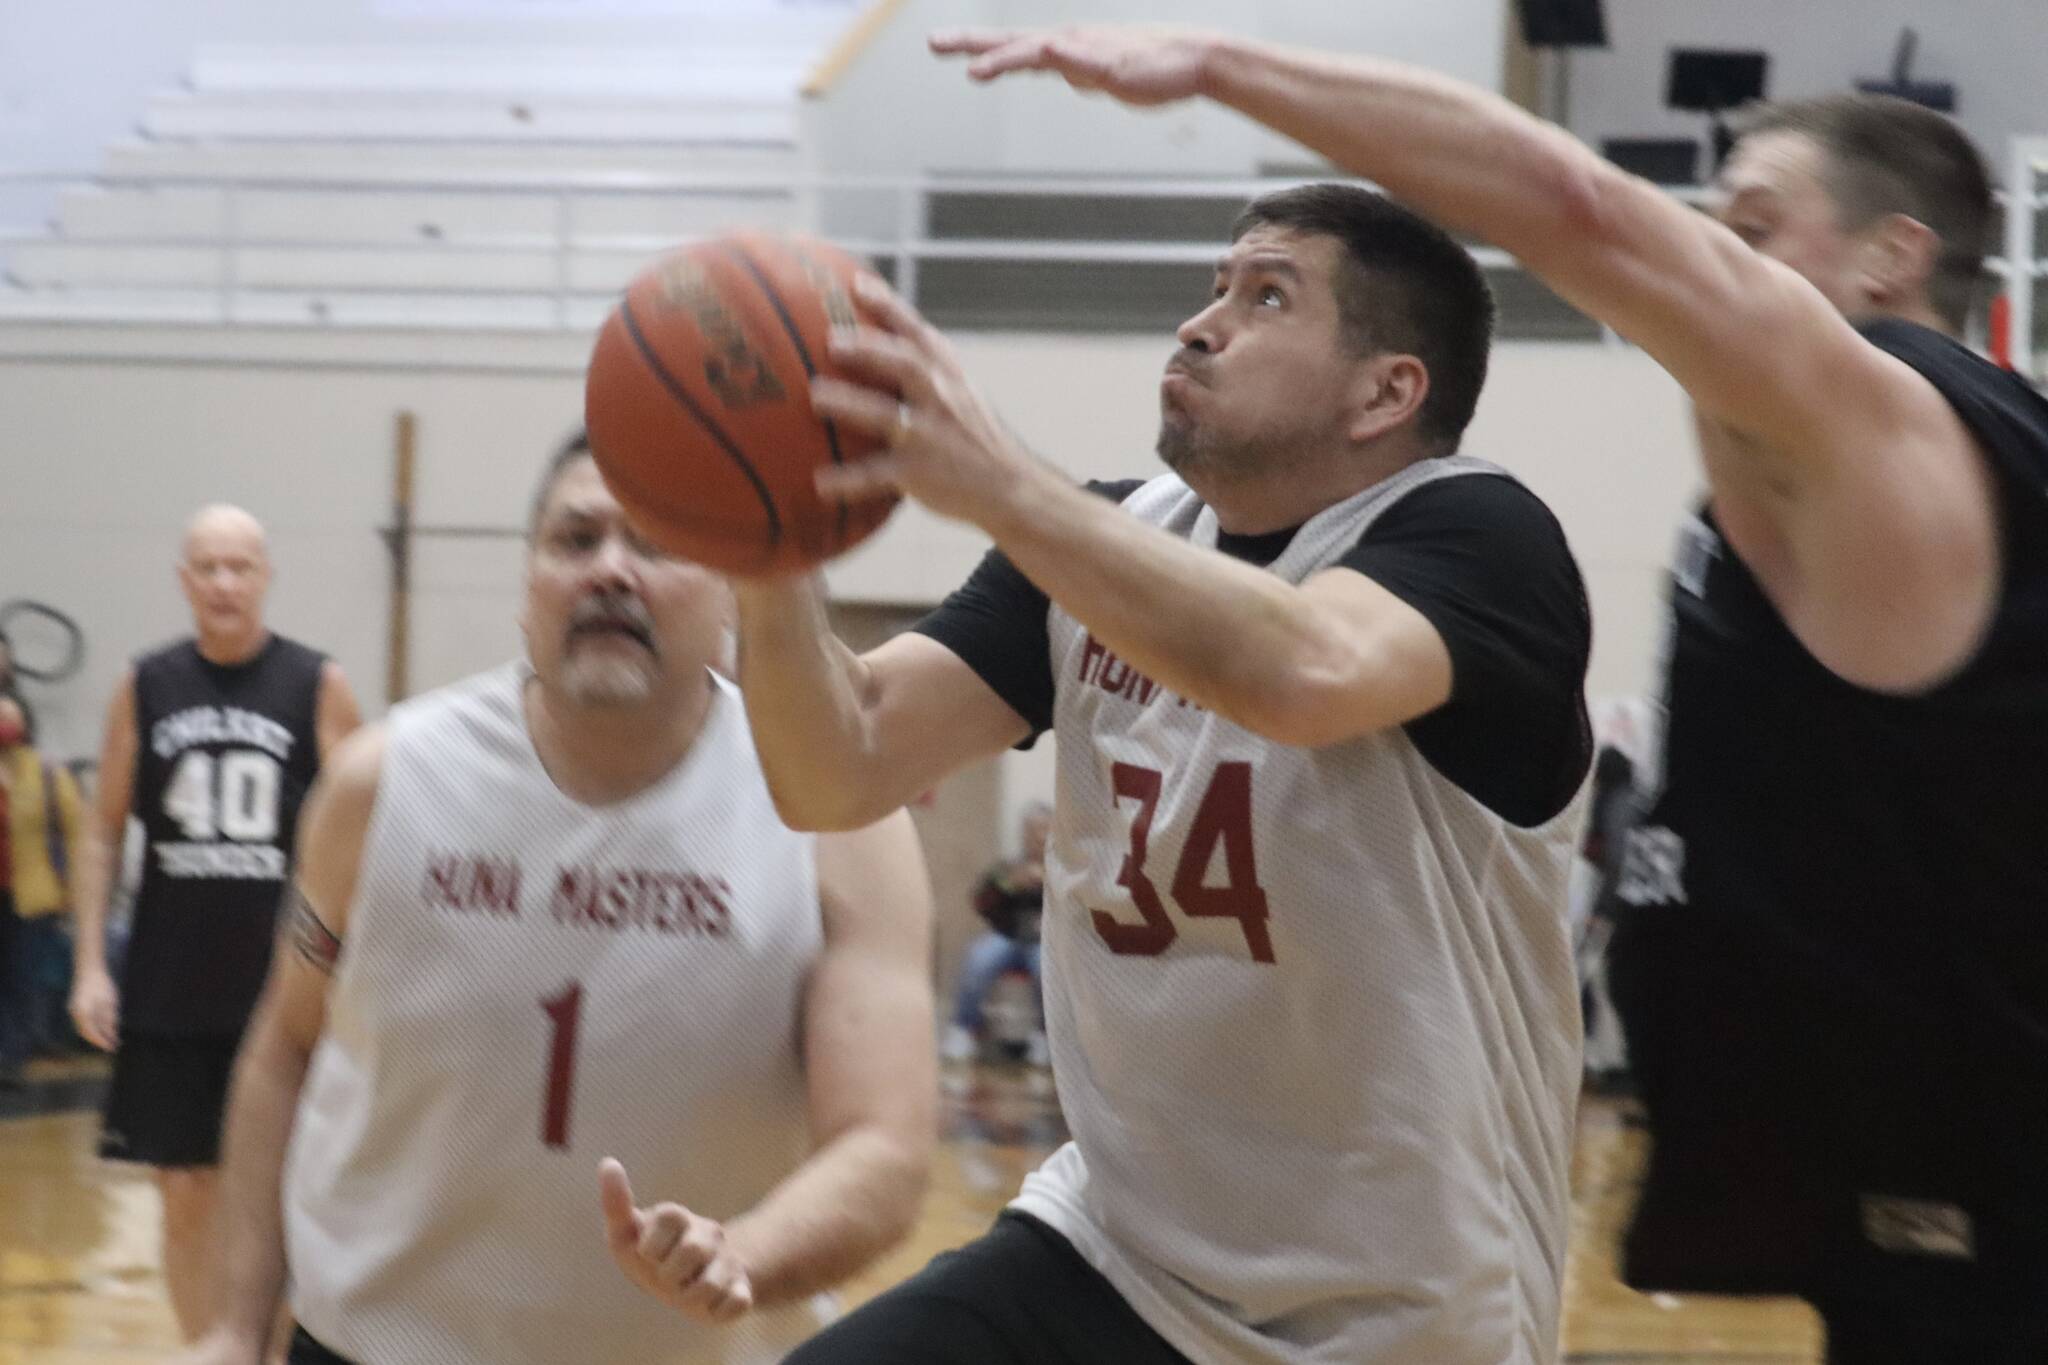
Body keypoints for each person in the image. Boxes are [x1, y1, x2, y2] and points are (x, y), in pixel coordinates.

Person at [929, 24, 2048, 1363]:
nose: (1703, 255)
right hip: (1904, 1177)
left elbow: (1573, 204)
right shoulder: (1820, 489)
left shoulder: (1887, 424)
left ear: (1893, 258)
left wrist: (1227, 65)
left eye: (1750, 227)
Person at [735, 162, 1594, 1358]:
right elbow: (838, 766)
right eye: (1213, 287)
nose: (1202, 322)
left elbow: (1302, 674)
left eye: (1267, 297)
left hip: (1394, 1312)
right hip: (1114, 1252)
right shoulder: (1106, 539)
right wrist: (763, 551)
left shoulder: (1478, 536)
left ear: (1384, 392)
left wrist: (1000, 482)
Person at [179, 435, 938, 1365]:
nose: (611, 569)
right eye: (575, 539)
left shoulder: (836, 816)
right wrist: (232, 1325)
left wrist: (747, 1252)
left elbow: (887, 1149)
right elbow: (285, 1046)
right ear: (527, 584)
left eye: (658, 544)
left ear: (734, 590)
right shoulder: (382, 781)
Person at [66, 504, 361, 1342]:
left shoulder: (317, 683)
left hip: (285, 992)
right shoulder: (146, 683)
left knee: (279, 1198)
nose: (225, 583)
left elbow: (369, 827)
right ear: (184, 581)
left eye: (240, 566)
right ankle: (206, 1351)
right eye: (208, 567)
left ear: (266, 576)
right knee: (185, 1194)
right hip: (169, 983)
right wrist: (91, 963)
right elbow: (100, 829)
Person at [0, 696, 86, 1084]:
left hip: (31, 894)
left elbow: (75, 832)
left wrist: (73, 890)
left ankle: (10, 1058)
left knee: (22, 975)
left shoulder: (47, 772)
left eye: (10, 721)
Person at [944, 801, 1049, 1063]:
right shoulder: (1008, 868)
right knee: (979, 958)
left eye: (1043, 830)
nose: (1037, 837)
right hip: (1007, 937)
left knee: (1047, 968)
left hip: (1044, 943)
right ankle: (963, 1028)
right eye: (1032, 831)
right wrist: (1010, 886)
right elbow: (980, 902)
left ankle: (1046, 1037)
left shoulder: (1063, 868)